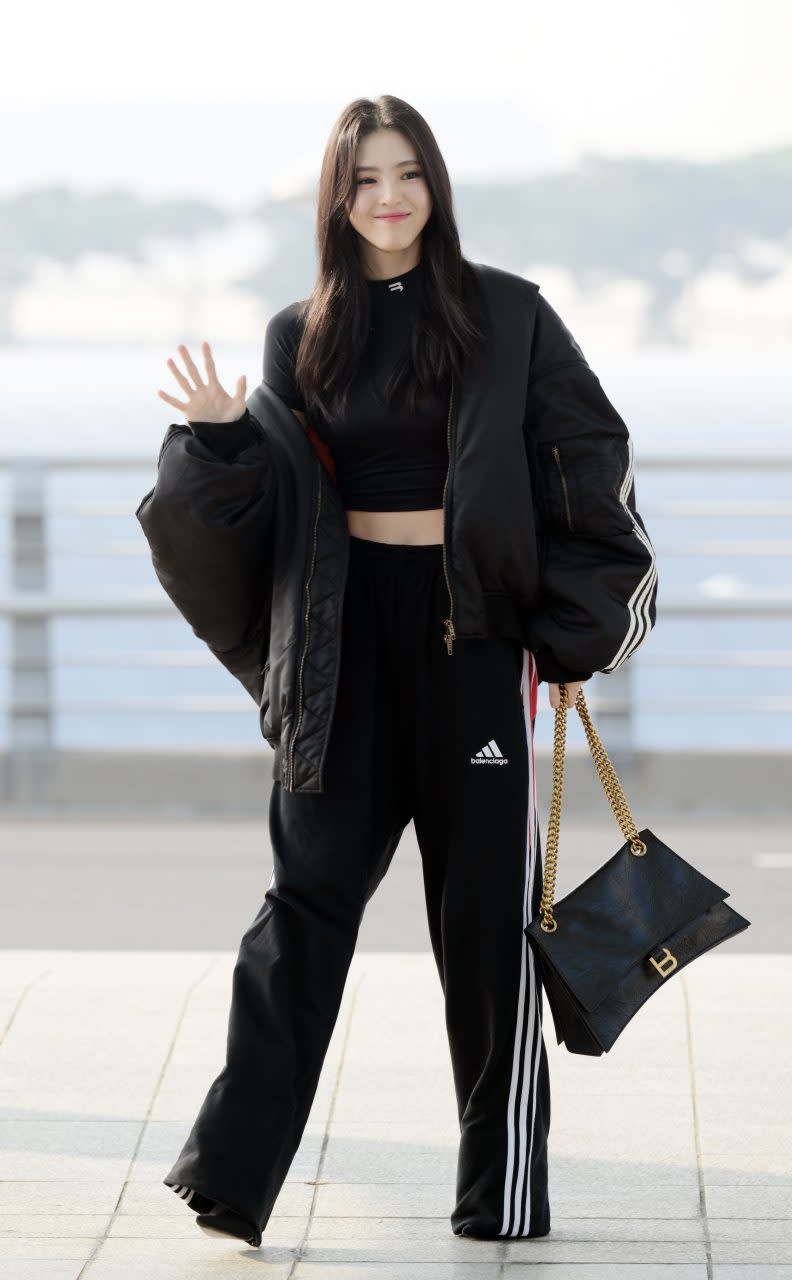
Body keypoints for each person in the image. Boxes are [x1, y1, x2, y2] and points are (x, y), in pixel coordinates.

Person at [137, 94, 658, 1249]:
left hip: (473, 648)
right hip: (341, 650)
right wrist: (224, 436)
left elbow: (590, 467)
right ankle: (232, 1175)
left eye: (407, 172)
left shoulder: (509, 316)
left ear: (437, 184)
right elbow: (267, 509)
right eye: (365, 176)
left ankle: (502, 1188)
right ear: (336, 195)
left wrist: (567, 639)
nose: (388, 197)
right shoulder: (299, 334)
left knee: (484, 928)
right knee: (304, 904)